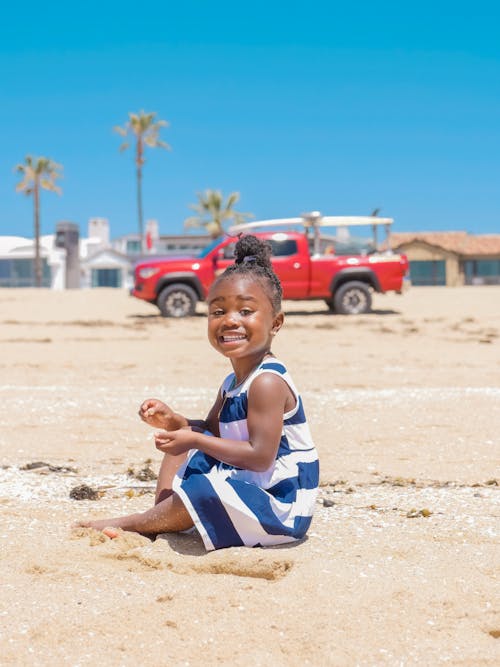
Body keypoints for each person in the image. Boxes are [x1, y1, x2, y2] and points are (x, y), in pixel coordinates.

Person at [77, 235, 319, 551]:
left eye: (246, 311)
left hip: (280, 508)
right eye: (217, 312)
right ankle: (158, 517)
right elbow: (211, 433)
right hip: (248, 484)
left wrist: (194, 438)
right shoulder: (232, 383)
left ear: (276, 323)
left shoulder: (267, 382)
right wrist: (174, 421)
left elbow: (260, 457)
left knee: (203, 483)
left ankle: (138, 522)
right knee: (184, 436)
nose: (230, 320)